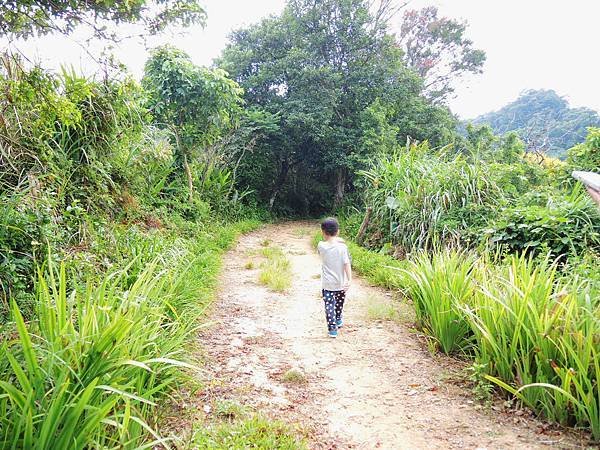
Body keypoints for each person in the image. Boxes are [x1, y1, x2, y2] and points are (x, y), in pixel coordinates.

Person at [317, 217, 352, 338]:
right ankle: (338, 319)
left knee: (329, 305)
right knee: (339, 304)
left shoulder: (321, 246)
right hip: (341, 283)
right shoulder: (343, 248)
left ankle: (332, 329)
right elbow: (347, 264)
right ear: (338, 232)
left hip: (327, 284)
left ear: (323, 232)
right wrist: (349, 280)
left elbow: (329, 242)